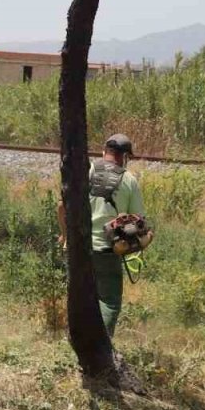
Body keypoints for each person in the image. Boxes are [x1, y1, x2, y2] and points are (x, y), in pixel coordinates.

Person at [57, 133, 149, 338]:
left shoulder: (85, 171)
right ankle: (102, 350)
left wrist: (65, 237)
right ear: (125, 157)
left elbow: (62, 207)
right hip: (107, 252)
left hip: (78, 248)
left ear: (104, 151)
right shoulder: (129, 180)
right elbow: (139, 221)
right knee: (109, 302)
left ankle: (74, 345)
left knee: (78, 299)